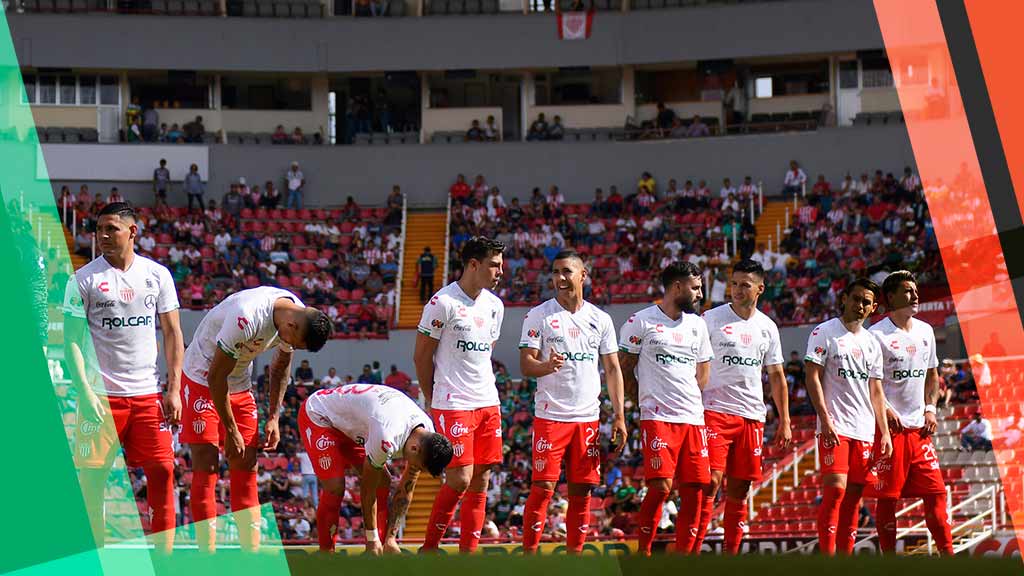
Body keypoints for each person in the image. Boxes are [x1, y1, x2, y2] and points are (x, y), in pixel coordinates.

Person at [62, 202, 184, 554]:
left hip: (148, 396)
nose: (103, 235)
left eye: (111, 229)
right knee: (91, 481)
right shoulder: (82, 280)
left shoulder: (157, 275)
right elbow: (69, 339)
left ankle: (164, 557)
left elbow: (173, 333)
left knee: (162, 472)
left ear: (133, 231)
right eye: (99, 229)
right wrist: (84, 391)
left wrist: (173, 390)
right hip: (99, 398)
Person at [180, 286, 334, 552]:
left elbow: (281, 367)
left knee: (247, 467)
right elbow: (215, 378)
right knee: (207, 466)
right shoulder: (247, 316)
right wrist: (230, 430)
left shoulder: (294, 311)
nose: (292, 347)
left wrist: (274, 416)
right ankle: (206, 558)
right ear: (292, 325)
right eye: (295, 343)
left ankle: (249, 557)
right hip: (202, 377)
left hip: (239, 383)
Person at [519, 249, 627, 555]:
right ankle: (528, 557)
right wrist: (545, 366)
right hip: (551, 417)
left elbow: (612, 369)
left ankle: (575, 556)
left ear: (583, 275)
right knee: (542, 489)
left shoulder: (600, 319)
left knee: (582, 491)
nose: (560, 278)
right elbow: (526, 365)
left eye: (567, 271)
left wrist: (619, 416)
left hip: (587, 419)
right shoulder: (539, 315)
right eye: (555, 272)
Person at [415, 237, 506, 554]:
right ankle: (430, 548)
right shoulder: (442, 303)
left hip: (488, 403)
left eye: (501, 265)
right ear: (473, 265)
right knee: (460, 479)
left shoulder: (495, 306)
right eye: (494, 265)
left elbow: (485, 354)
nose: (500, 272)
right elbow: (421, 357)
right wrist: (431, 397)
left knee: (482, 480)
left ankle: (469, 554)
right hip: (452, 403)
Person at [693, 260, 790, 555]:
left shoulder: (768, 328)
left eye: (745, 284)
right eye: (734, 283)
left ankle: (731, 555)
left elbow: (776, 376)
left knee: (740, 489)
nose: (736, 290)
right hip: (713, 410)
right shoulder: (709, 319)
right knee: (709, 482)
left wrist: (784, 420)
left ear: (760, 288)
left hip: (751, 416)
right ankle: (692, 552)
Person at [618, 261, 713, 556]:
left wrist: (686, 398)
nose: (699, 294)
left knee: (696, 490)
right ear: (677, 287)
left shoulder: (698, 325)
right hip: (657, 417)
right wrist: (638, 400)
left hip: (693, 419)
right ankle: (644, 552)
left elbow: (703, 373)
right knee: (660, 487)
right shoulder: (640, 321)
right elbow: (623, 368)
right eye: (695, 288)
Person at [299, 384, 454, 554]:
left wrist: (391, 538)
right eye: (418, 465)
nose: (416, 468)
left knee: (383, 480)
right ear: (415, 449)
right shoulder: (386, 437)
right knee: (335, 487)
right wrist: (371, 540)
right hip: (320, 416)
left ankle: (382, 545)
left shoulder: (426, 433)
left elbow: (406, 490)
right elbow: (367, 488)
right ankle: (326, 554)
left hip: (354, 424)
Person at [804, 278, 892, 555]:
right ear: (844, 299)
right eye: (856, 299)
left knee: (854, 499)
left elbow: (876, 390)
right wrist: (825, 418)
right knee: (835, 491)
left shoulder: (872, 343)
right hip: (835, 427)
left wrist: (884, 431)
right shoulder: (824, 332)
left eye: (866, 302)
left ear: (873, 308)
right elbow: (812, 376)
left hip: (864, 430)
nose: (860, 305)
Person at [868, 270, 953, 555]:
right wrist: (887, 410)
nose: (914, 295)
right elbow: (870, 384)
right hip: (889, 431)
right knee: (888, 500)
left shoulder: (925, 331)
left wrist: (931, 408)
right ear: (890, 297)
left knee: (937, 494)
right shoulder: (875, 335)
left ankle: (949, 556)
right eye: (907, 290)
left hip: (920, 431)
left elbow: (932, 374)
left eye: (915, 290)